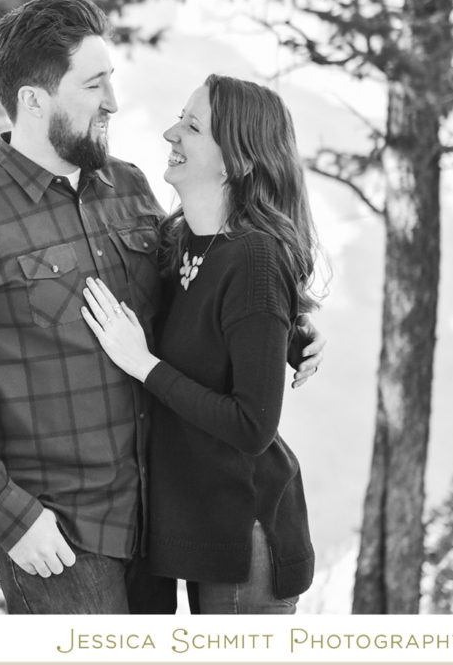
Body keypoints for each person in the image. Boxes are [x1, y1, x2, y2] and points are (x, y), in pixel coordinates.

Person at [0, 0, 322, 615]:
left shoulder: (128, 188)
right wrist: (4, 511)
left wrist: (292, 326)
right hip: (59, 534)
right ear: (35, 100)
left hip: (156, 525)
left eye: (112, 82)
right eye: (94, 84)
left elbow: (201, 290)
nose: (114, 104)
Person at [82, 74, 320, 613]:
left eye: (192, 127)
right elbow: (225, 330)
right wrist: (294, 335)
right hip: (191, 523)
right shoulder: (179, 240)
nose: (171, 133)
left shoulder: (256, 258)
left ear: (236, 161)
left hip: (245, 534)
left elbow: (252, 425)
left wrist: (143, 365)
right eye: (179, 119)